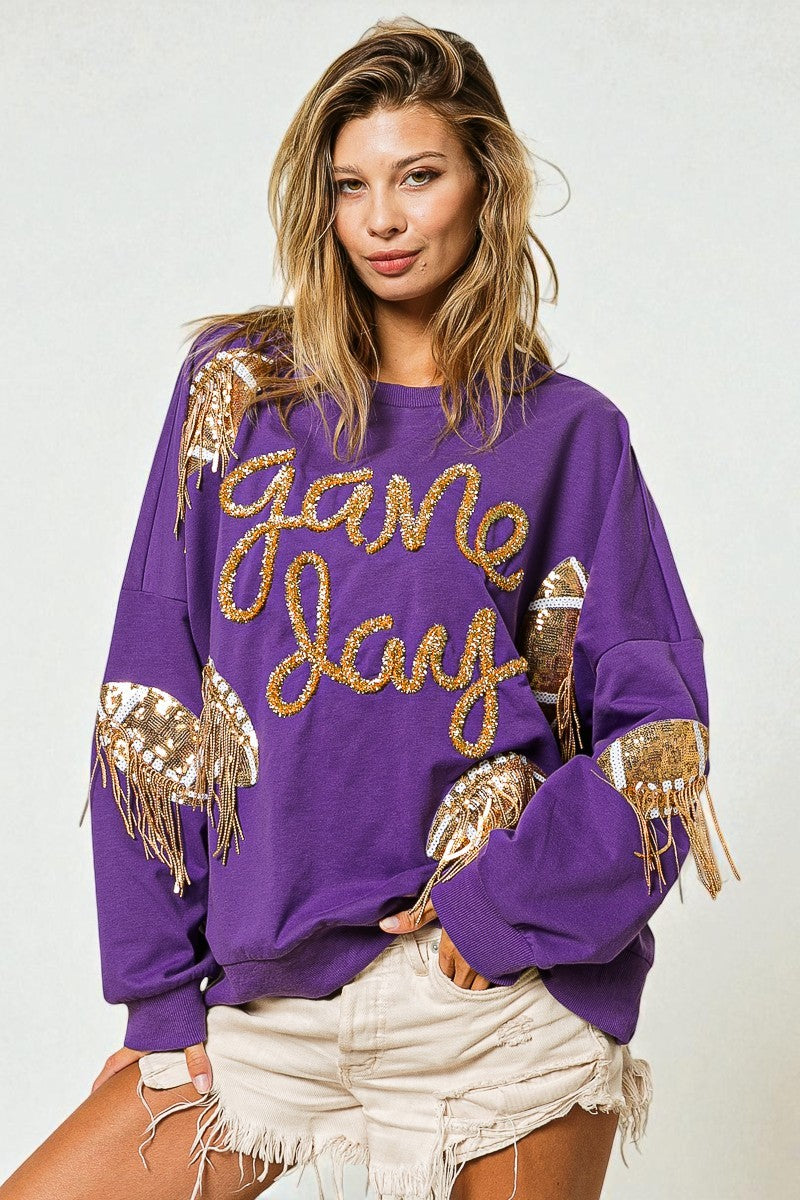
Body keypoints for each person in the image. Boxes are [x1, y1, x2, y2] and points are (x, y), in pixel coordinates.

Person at [0, 15, 741, 1200]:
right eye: (351, 186)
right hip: (265, 989)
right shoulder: (237, 395)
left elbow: (659, 732)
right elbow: (152, 679)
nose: (383, 220)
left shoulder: (566, 435)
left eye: (418, 176)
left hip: (493, 1007)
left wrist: (494, 911)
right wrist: (154, 993)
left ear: (482, 185)